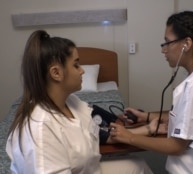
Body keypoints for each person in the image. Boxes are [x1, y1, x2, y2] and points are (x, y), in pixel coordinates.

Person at [5, 30, 157, 174]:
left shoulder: (72, 102)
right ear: (56, 73)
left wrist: (147, 130)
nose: (82, 70)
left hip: (89, 170)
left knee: (137, 165)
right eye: (76, 65)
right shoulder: (41, 128)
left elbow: (97, 133)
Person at [110, 11, 193, 174]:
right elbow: (187, 117)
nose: (163, 50)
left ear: (186, 43)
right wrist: (146, 116)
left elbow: (176, 146)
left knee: (135, 164)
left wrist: (129, 136)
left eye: (167, 42)